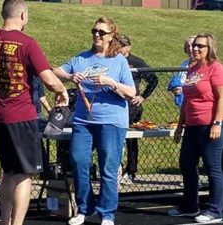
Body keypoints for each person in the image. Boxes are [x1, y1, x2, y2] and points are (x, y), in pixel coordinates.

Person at [0, 1, 68, 225]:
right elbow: (48, 79)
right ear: (23, 15)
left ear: (3, 14)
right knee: (25, 175)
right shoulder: (27, 43)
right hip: (21, 116)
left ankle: (5, 222)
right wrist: (62, 90)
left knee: (8, 171)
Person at [54, 16, 136, 225]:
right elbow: (56, 71)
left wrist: (110, 82)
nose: (97, 35)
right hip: (83, 120)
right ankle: (84, 208)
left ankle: (107, 213)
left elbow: (131, 91)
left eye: (101, 32)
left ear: (111, 36)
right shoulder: (81, 58)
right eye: (94, 31)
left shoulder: (119, 61)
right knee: (79, 161)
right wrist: (71, 77)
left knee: (108, 167)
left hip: (111, 120)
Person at [168, 33, 223, 223]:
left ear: (210, 48)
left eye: (200, 46)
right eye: (194, 46)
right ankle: (190, 206)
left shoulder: (216, 68)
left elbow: (222, 98)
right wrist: (179, 126)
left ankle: (215, 210)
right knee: (187, 164)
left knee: (212, 167)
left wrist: (217, 123)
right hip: (191, 126)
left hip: (209, 125)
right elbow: (186, 101)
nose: (195, 49)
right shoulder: (192, 70)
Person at [118, 35, 158, 184]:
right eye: (117, 45)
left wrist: (142, 97)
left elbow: (154, 79)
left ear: (129, 47)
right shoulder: (112, 59)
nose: (120, 48)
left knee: (130, 138)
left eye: (122, 45)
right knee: (115, 137)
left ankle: (131, 170)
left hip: (132, 105)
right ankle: (117, 169)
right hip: (116, 103)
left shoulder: (136, 62)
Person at [168, 35, 196, 107]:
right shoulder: (184, 63)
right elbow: (180, 80)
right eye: (188, 46)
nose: (190, 49)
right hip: (184, 101)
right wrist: (175, 87)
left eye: (192, 46)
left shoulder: (204, 65)